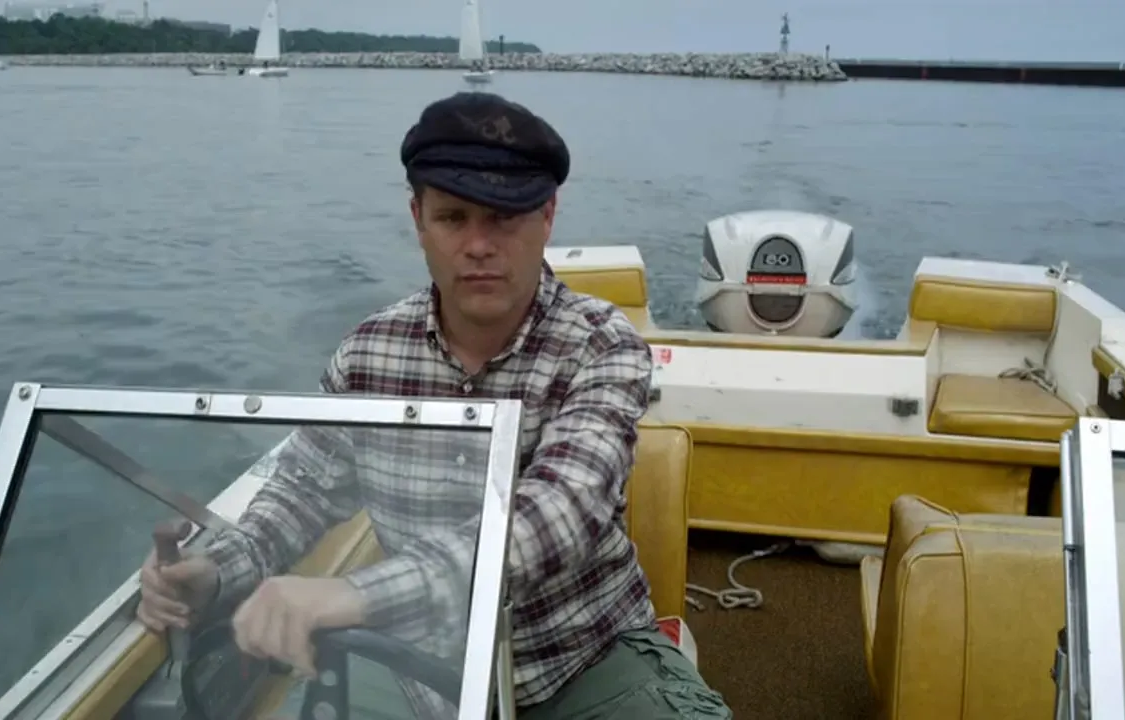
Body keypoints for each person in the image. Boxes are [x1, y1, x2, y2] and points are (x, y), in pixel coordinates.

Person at [136, 91, 731, 719]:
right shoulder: (366, 354)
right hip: (416, 675)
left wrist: (353, 595)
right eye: (452, 217)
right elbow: (299, 494)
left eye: (503, 218)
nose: (478, 245)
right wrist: (216, 572)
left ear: (548, 216)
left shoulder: (602, 345)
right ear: (418, 218)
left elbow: (557, 513)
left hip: (583, 659)